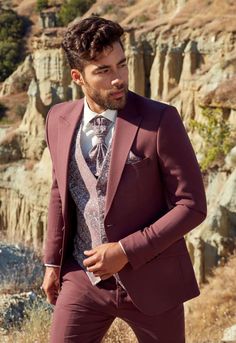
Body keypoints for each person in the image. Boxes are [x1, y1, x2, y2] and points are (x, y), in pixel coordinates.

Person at [41, 16, 207, 343]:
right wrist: (52, 261)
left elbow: (192, 206)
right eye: (103, 71)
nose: (118, 79)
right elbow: (60, 190)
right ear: (78, 77)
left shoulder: (161, 120)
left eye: (122, 65)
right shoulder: (58, 119)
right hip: (81, 279)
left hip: (153, 282)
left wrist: (125, 251)